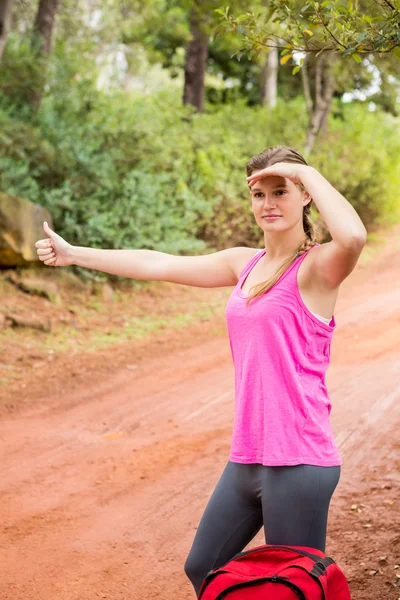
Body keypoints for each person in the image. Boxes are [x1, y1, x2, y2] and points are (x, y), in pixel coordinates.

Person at [35, 145, 367, 598]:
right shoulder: (243, 263)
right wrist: (76, 255)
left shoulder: (317, 269)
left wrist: (302, 171)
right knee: (204, 567)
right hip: (248, 455)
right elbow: (159, 263)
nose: (268, 204)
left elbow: (352, 237)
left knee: (294, 586)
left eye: (281, 191)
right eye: (258, 194)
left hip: (300, 459)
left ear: (305, 195)